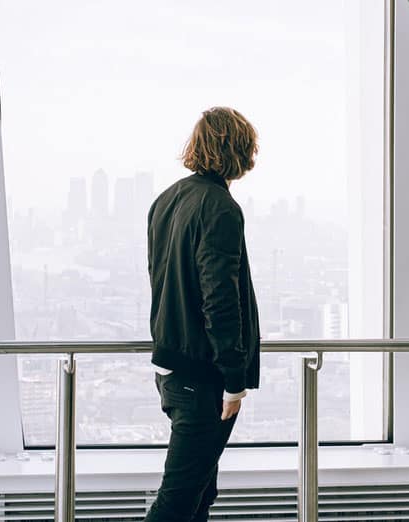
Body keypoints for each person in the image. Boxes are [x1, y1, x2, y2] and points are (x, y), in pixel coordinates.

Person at [144, 107, 261, 522]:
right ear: (239, 150)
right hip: (203, 377)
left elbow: (159, 277)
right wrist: (234, 380)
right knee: (176, 502)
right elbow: (220, 298)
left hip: (170, 366)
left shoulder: (167, 200)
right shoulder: (221, 208)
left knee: (198, 495)